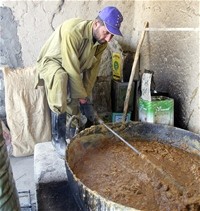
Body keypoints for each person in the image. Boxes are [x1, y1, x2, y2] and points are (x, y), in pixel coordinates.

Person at [35, 6, 123, 158]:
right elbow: (71, 67)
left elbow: (92, 71)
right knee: (61, 78)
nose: (108, 39)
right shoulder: (73, 32)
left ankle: (73, 133)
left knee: (77, 98)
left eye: (112, 35)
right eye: (106, 32)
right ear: (96, 23)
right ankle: (58, 139)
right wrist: (82, 99)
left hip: (70, 67)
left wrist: (85, 99)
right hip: (52, 62)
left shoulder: (101, 42)